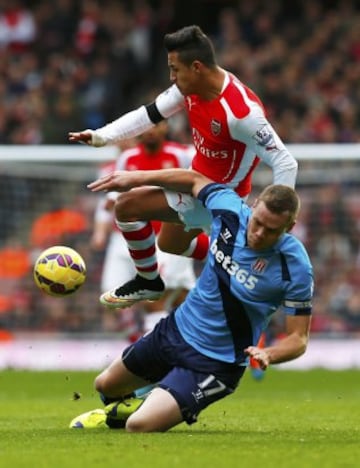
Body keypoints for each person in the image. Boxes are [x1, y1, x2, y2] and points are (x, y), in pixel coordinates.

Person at [69, 25, 298, 309]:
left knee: (126, 206)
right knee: (169, 244)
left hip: (220, 196)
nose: (171, 77)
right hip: (194, 185)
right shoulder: (190, 88)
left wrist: (280, 224)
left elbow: (286, 162)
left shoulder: (241, 113)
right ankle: (233, 260)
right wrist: (102, 136)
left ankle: (149, 281)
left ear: (197, 67)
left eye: (175, 69)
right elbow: (149, 114)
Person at [69, 168, 313, 432]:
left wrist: (268, 353)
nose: (258, 233)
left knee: (139, 425)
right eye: (257, 222)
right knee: (104, 385)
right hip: (176, 330)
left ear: (290, 228)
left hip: (217, 363)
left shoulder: (296, 267)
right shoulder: (230, 210)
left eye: (271, 230)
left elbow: (298, 338)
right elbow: (194, 179)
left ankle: (148, 405)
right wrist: (136, 178)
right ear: (253, 206)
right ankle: (126, 407)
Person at [91, 123, 196, 337]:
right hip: (127, 235)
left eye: (156, 126)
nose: (150, 131)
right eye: (146, 127)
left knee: (164, 297)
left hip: (165, 235)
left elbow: (195, 181)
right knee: (112, 297)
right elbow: (112, 197)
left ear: (166, 128)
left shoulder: (181, 155)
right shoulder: (127, 158)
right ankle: (140, 344)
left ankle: (156, 350)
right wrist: (100, 231)